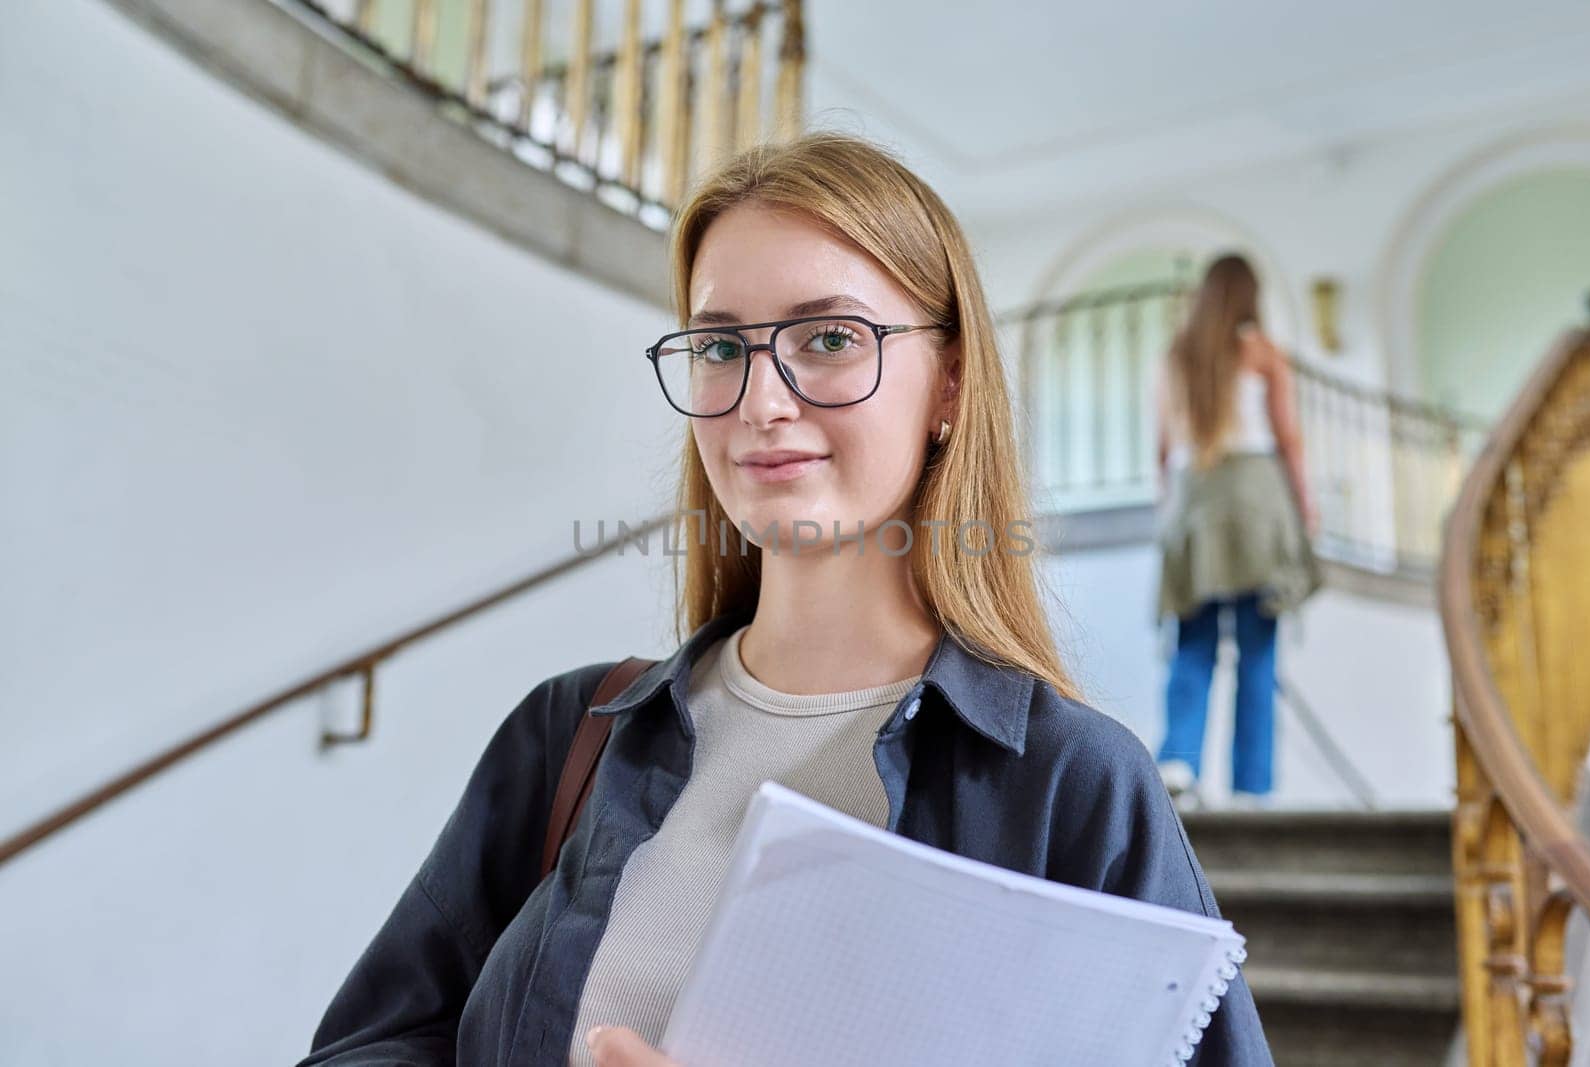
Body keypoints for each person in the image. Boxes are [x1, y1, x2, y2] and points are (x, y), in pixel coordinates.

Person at [297, 134, 1273, 1067]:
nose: (761, 398)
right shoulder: (568, 733)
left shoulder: (1073, 786)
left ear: (949, 382)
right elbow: (365, 1042)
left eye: (831, 336)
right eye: (720, 348)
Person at [1153, 253, 1322, 809]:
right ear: (1251, 295)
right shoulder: (1263, 353)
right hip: (1255, 501)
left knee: (1193, 645)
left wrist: (1170, 514)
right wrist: (1306, 508)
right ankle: (1253, 789)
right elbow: (1289, 440)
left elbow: (1162, 449)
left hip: (1193, 501)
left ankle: (1179, 765)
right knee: (1258, 652)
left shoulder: (1178, 355)